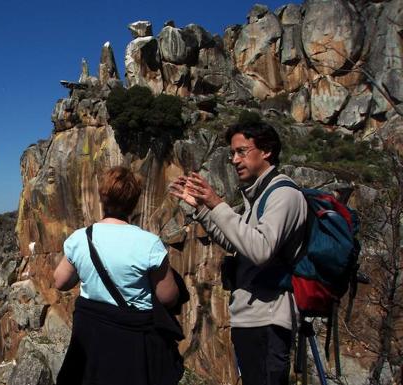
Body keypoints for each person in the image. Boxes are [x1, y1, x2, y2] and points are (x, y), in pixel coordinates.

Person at [170, 120, 307, 385]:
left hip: (268, 319)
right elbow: (234, 242)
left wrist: (216, 203)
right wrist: (200, 208)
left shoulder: (284, 195)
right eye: (232, 153)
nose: (234, 160)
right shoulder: (258, 195)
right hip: (248, 318)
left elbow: (260, 250)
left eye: (242, 151)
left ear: (266, 151)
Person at [54, 166, 182, 385]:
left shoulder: (80, 238)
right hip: (132, 343)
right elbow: (168, 297)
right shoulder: (149, 243)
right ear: (134, 201)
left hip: (91, 340)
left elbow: (61, 281)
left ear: (103, 197)